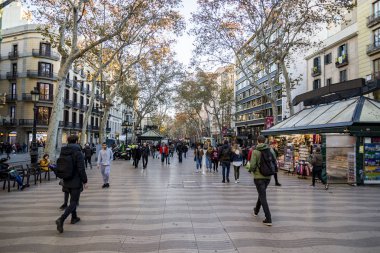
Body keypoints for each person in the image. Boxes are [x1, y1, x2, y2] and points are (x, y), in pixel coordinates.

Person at [55, 135, 87, 233]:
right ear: (77, 141)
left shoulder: (63, 151)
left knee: (72, 200)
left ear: (68, 141)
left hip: (66, 179)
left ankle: (74, 217)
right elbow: (81, 168)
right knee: (74, 202)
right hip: (76, 180)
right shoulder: (78, 152)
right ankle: (61, 219)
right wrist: (85, 181)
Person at [248, 135, 274, 226]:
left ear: (258, 141)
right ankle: (256, 210)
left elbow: (252, 165)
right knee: (261, 194)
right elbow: (273, 162)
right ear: (265, 141)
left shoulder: (255, 151)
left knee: (263, 197)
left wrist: (251, 170)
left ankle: (268, 218)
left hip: (259, 177)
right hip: (268, 177)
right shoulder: (270, 150)